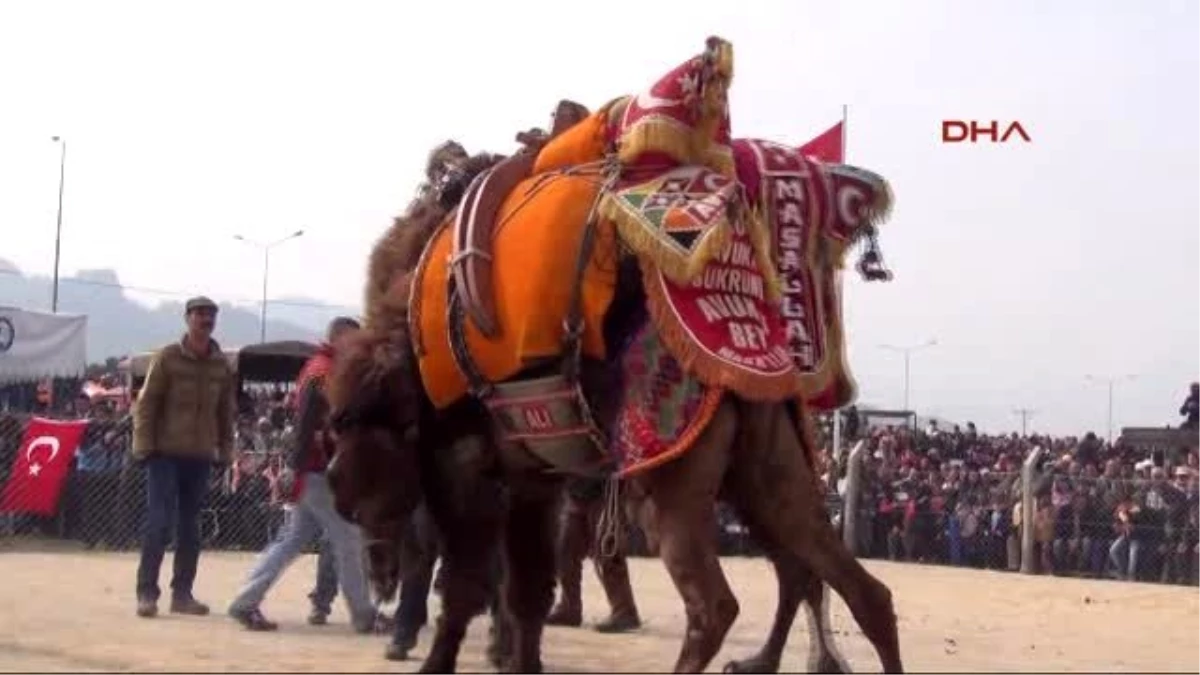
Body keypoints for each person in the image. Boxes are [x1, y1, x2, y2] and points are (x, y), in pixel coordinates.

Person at [227, 317, 382, 633]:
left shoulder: (320, 368)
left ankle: (245, 602)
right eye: (353, 340)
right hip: (318, 469)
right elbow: (306, 424)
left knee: (292, 540)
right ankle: (364, 615)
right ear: (339, 338)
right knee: (348, 541)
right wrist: (298, 467)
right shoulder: (323, 373)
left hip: (312, 468)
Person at [131, 296, 234, 618]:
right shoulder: (168, 357)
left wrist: (226, 449)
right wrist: (143, 445)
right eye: (200, 314)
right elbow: (146, 404)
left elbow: (225, 411)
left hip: (200, 455)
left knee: (191, 527)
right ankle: (147, 593)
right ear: (187, 318)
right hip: (164, 452)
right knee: (159, 522)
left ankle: (182, 594)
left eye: (211, 314)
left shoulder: (221, 364)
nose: (206, 319)